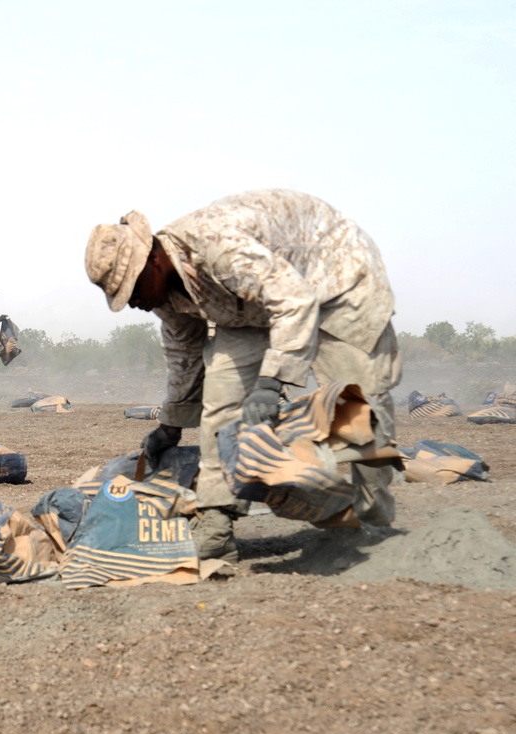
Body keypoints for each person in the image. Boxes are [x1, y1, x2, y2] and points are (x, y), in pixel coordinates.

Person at [84, 189, 401, 563]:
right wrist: (171, 425)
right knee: (221, 398)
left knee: (359, 404)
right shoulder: (166, 295)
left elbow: (293, 300)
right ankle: (216, 524)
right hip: (248, 305)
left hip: (334, 275)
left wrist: (271, 381)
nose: (133, 302)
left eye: (132, 289)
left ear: (153, 260)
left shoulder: (217, 246)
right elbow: (185, 356)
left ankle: (374, 519)